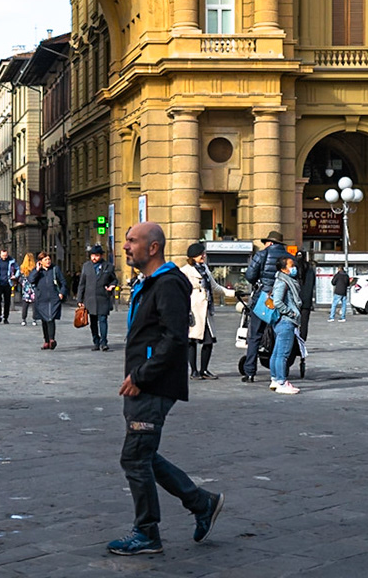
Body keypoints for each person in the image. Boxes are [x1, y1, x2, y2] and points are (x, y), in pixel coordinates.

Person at [108, 221, 223, 556]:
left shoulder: (168, 284)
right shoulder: (151, 283)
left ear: (153, 247)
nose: (126, 246)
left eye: (132, 241)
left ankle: (147, 533)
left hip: (153, 384)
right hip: (143, 382)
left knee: (134, 458)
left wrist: (141, 376)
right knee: (142, 455)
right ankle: (201, 503)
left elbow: (174, 340)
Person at [238, 232, 285, 383]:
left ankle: (250, 372)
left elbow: (250, 276)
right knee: (279, 336)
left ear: (270, 243)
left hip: (263, 299)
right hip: (282, 299)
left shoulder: (261, 254)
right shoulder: (288, 257)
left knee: (255, 336)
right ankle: (278, 373)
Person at [184, 242, 231, 380]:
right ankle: (194, 371)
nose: (203, 256)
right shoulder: (185, 271)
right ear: (193, 256)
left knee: (208, 340)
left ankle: (204, 370)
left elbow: (215, 287)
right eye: (201, 254)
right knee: (192, 340)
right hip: (193, 309)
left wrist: (233, 293)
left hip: (206, 308)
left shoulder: (205, 268)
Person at [265, 250, 304, 395]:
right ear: (283, 269)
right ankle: (282, 381)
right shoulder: (283, 282)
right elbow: (277, 302)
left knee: (277, 352)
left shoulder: (282, 280)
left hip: (280, 322)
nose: (294, 268)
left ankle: (275, 379)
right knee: (283, 353)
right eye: (291, 265)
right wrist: (290, 312)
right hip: (286, 321)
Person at [79, 245, 117, 351]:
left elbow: (114, 279)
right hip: (90, 298)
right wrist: (80, 299)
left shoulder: (108, 266)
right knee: (93, 322)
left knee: (103, 320)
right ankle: (96, 341)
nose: (94, 258)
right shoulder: (86, 266)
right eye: (92, 255)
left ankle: (104, 342)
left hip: (103, 297)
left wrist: (111, 286)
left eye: (96, 255)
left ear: (101, 256)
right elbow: (82, 284)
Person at [30, 252, 65, 349]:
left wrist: (62, 292)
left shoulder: (55, 269)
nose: (48, 261)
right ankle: (46, 340)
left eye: (49, 259)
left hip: (53, 298)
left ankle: (51, 339)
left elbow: (63, 282)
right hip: (41, 299)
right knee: (44, 320)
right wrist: (37, 270)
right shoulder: (37, 271)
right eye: (45, 260)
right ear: (40, 262)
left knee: (50, 318)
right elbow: (31, 280)